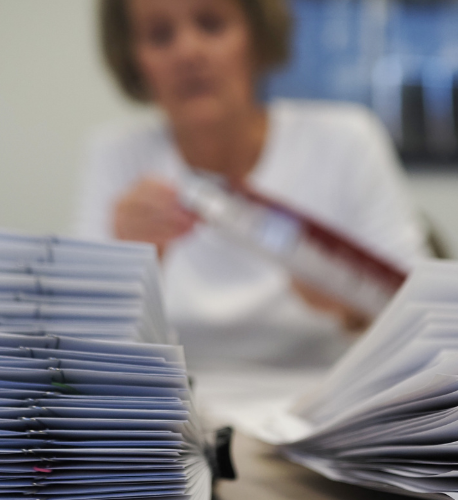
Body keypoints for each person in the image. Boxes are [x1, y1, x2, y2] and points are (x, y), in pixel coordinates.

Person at [72, 0, 425, 369]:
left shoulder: (347, 141)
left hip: (323, 405)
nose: (188, 52)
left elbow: (422, 315)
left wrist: (351, 305)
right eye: (160, 36)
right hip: (176, 412)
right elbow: (78, 349)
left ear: (256, 36)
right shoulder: (118, 157)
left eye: (211, 25)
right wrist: (126, 271)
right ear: (132, 58)